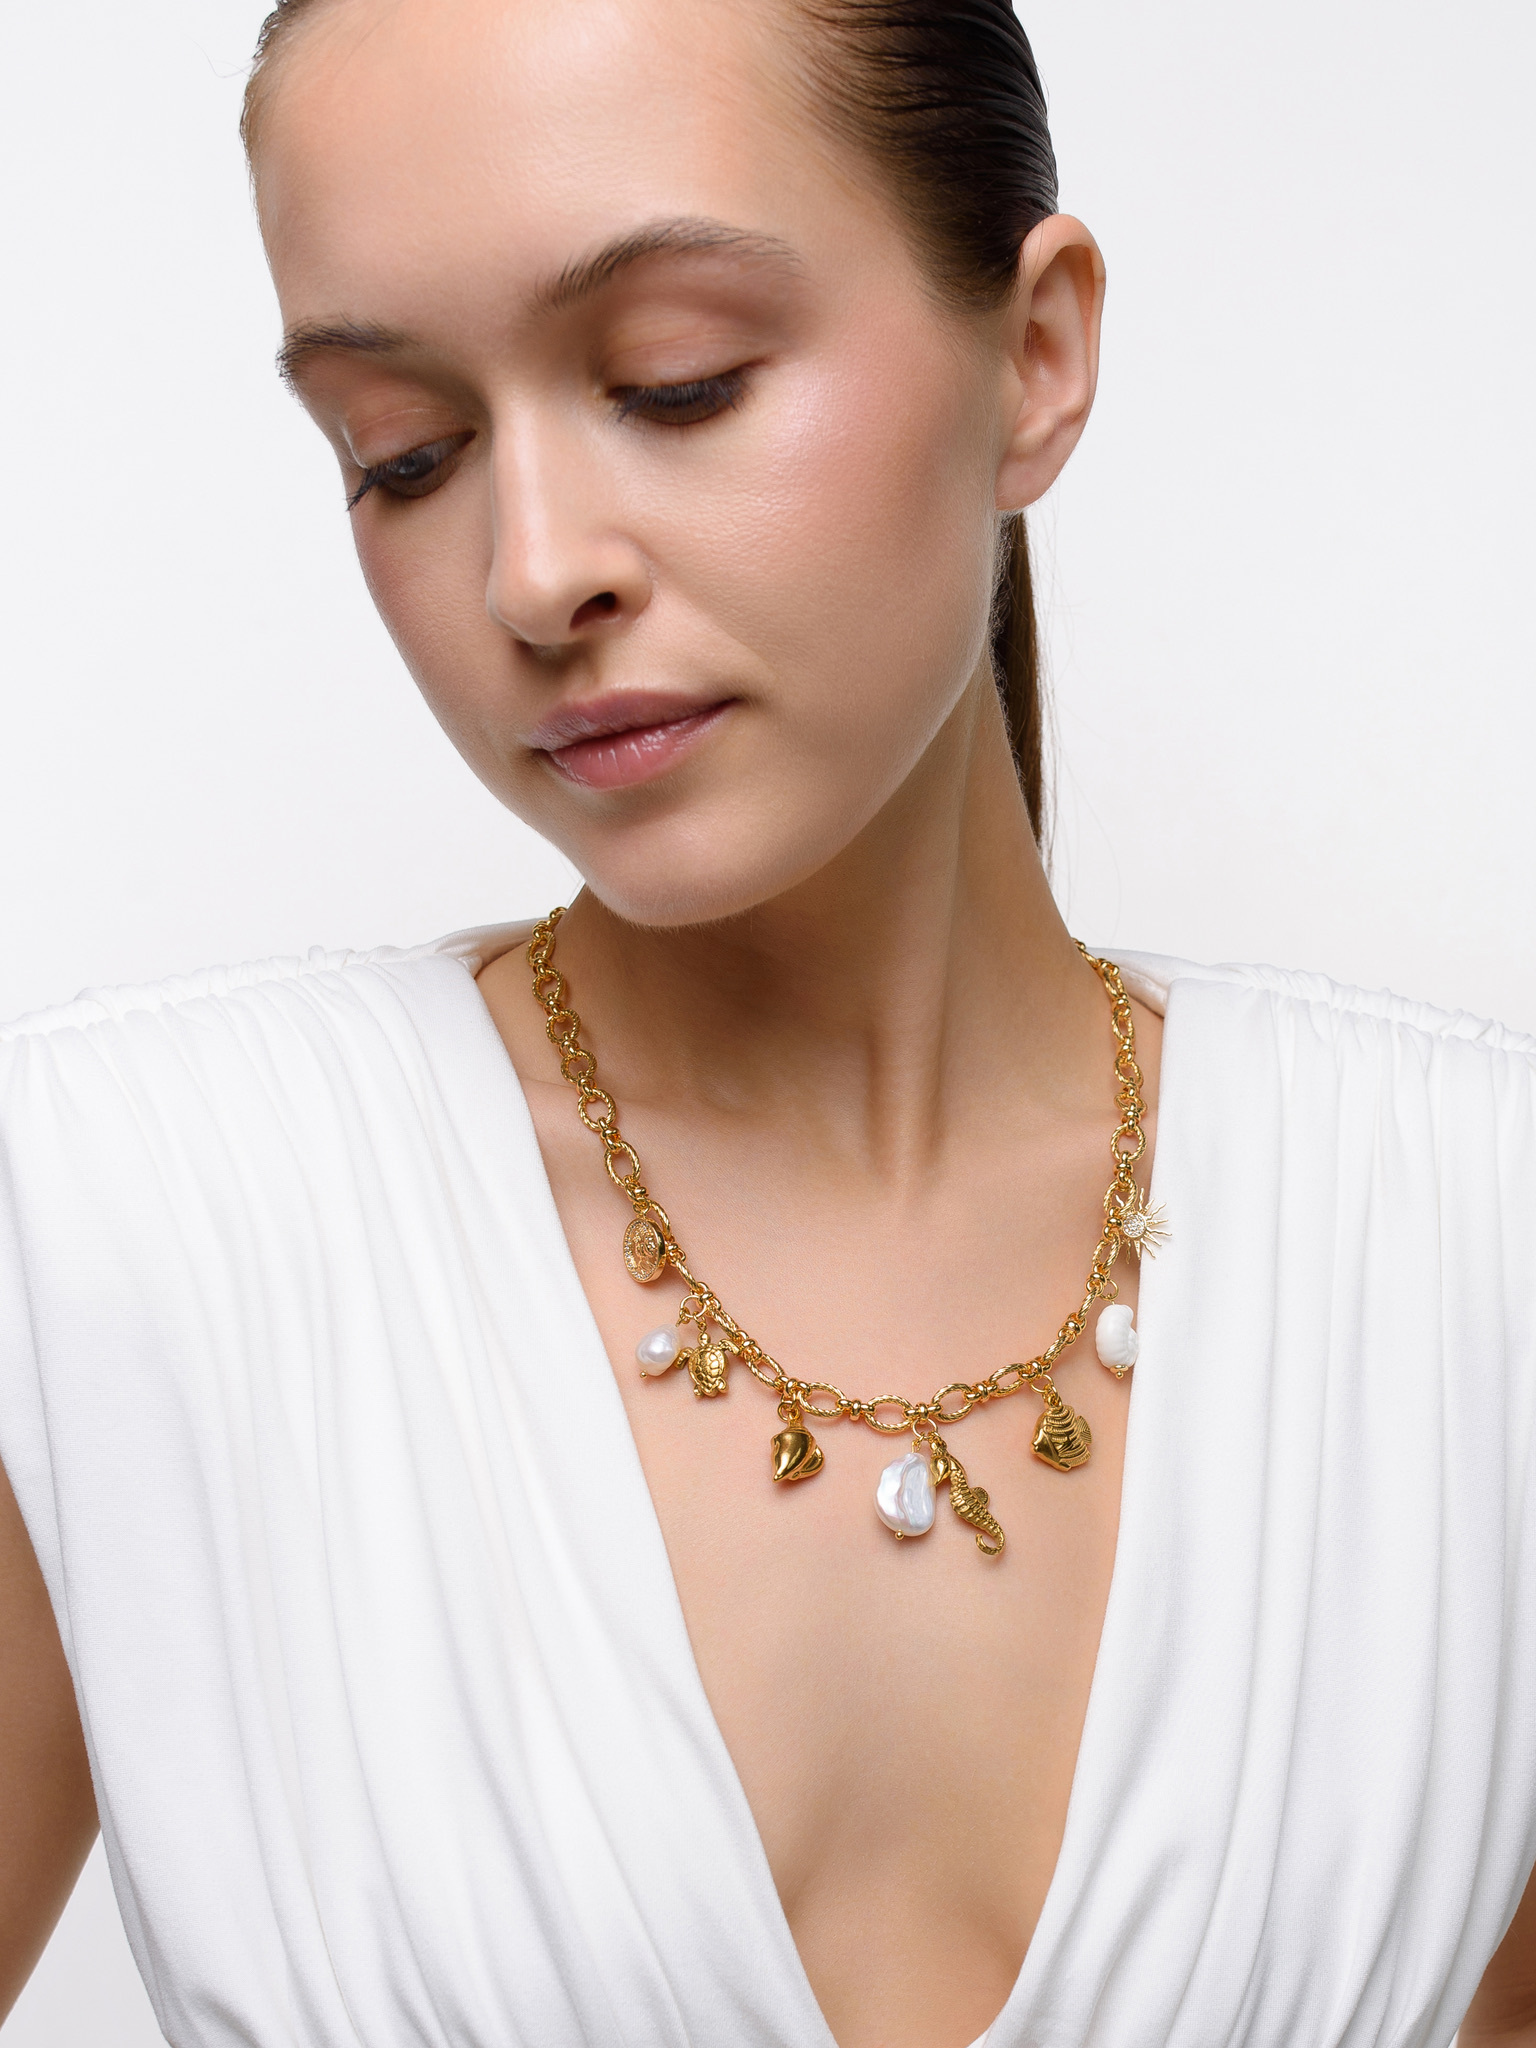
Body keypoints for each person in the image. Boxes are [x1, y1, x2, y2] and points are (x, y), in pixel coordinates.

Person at [2, 2, 1533, 2044]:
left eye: (678, 380)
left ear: (1037, 355)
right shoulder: (116, 1235)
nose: (533, 572)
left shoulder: (1475, 1253)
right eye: (404, 452)